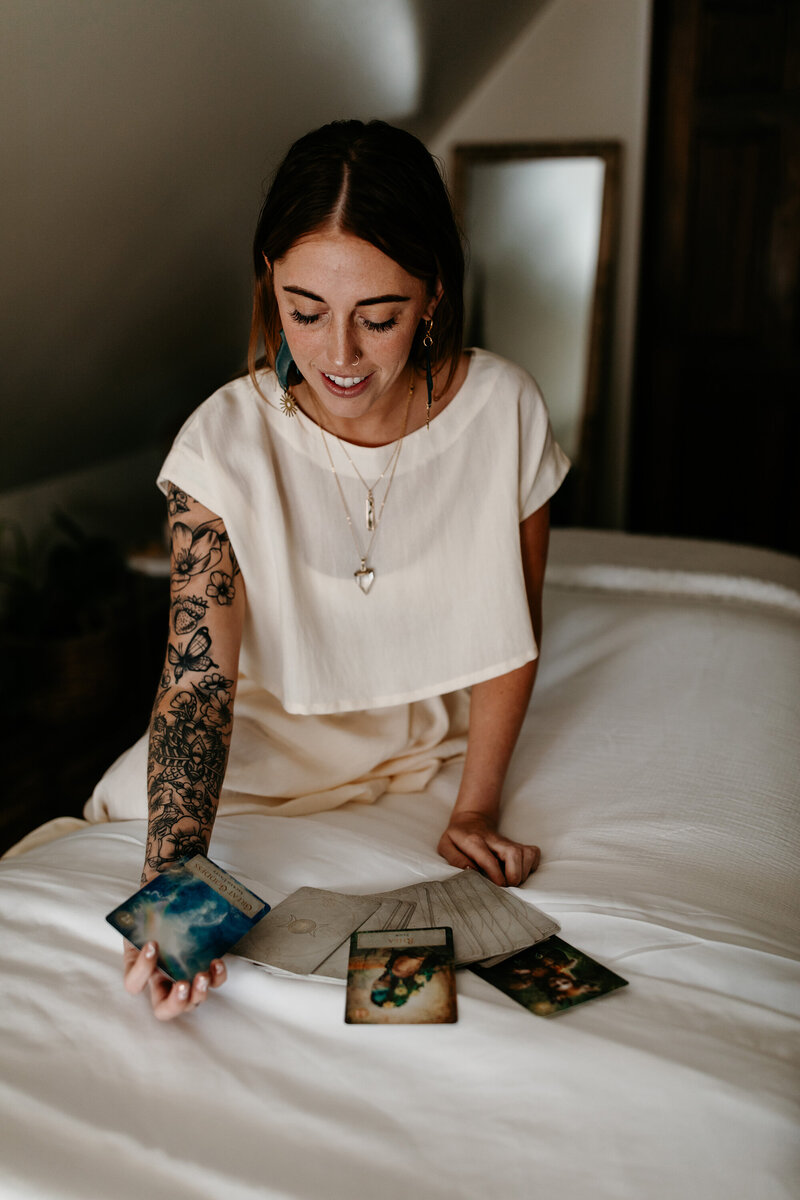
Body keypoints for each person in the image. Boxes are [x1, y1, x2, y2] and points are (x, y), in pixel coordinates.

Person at [104, 119, 570, 1018]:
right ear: (269, 288)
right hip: (263, 743)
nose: (339, 358)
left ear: (433, 294)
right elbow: (197, 681)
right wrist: (174, 894)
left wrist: (474, 808)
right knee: (123, 802)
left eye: (379, 317)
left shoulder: (504, 408)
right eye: (305, 310)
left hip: (422, 733)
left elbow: (515, 629)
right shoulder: (222, 442)